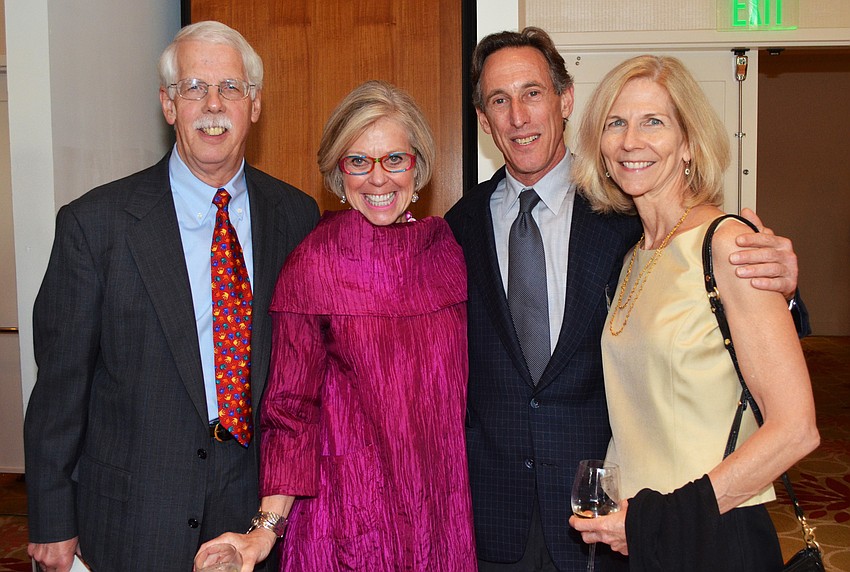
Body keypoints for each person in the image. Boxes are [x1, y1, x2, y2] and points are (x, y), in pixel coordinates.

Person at [444, 27, 807, 571]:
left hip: (636, 521)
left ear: (565, 100)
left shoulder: (623, 211)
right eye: (499, 100)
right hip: (512, 513)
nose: (518, 115)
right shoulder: (458, 227)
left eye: (533, 93)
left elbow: (743, 331)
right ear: (483, 118)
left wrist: (786, 287)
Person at [24, 21, 319, 572]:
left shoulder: (297, 216)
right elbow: (60, 385)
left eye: (230, 87)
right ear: (167, 104)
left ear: (254, 104)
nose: (213, 104)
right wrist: (51, 517)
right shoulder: (96, 224)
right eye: (193, 88)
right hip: (134, 514)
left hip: (254, 512)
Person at [197, 80, 476, 571]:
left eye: (394, 159)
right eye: (358, 161)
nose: (378, 178)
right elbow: (290, 411)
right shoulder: (314, 263)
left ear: (418, 166)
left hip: (439, 514)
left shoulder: (446, 253)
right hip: (349, 521)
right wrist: (264, 530)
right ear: (338, 172)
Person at [567, 54, 819, 571]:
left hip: (711, 534)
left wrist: (663, 520)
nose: (630, 140)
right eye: (616, 123)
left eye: (653, 122)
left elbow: (797, 428)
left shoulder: (726, 244)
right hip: (636, 535)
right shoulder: (632, 256)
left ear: (688, 143)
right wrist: (633, 522)